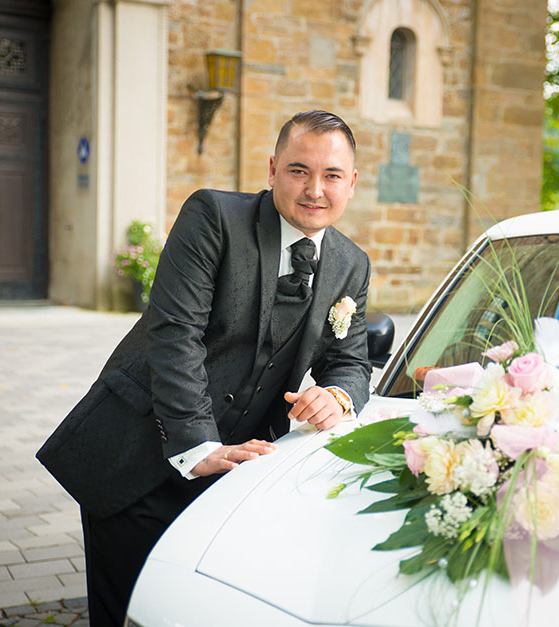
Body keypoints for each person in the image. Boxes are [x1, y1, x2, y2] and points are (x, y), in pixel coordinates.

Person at [37, 110, 371, 626]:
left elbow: (351, 361)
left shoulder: (352, 263)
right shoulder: (214, 217)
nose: (314, 189)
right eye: (299, 170)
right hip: (140, 450)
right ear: (272, 170)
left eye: (331, 176)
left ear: (351, 183)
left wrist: (338, 395)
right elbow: (176, 333)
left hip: (237, 475)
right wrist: (199, 447)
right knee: (132, 612)